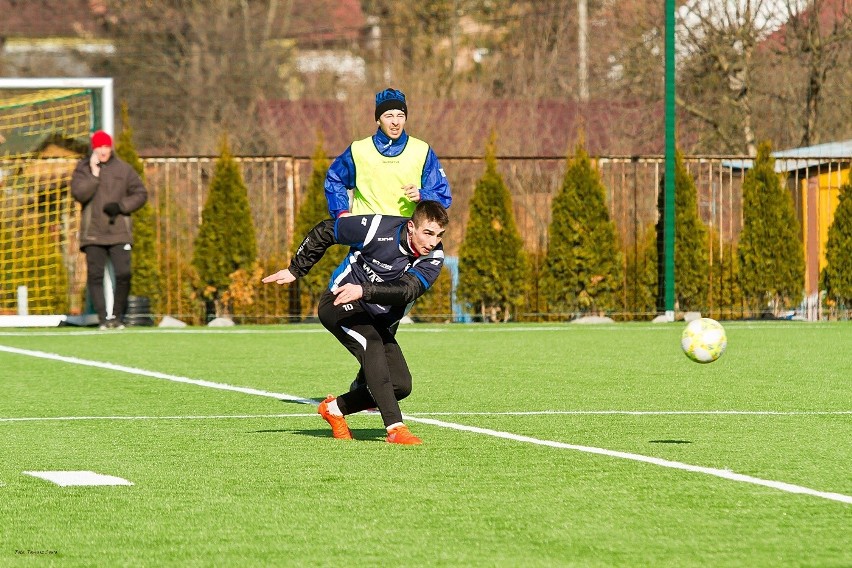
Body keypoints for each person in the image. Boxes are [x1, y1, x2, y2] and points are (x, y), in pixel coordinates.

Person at [263, 200, 449, 445]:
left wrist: (364, 290)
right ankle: (395, 428)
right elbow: (328, 230)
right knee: (371, 344)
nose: (433, 241)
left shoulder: (434, 257)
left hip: (374, 314)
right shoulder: (376, 228)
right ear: (412, 226)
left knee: (401, 385)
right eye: (428, 233)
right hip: (338, 302)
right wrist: (297, 269)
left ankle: (334, 409)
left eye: (439, 235)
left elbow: (407, 291)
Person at [324, 88, 452, 219]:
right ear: (378, 120)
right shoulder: (358, 149)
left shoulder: (422, 150)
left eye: (400, 116)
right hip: (365, 233)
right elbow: (335, 179)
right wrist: (341, 212)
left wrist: (422, 195)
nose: (395, 122)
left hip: (405, 233)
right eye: (389, 116)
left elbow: (443, 195)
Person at [71, 130, 148, 330]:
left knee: (124, 274)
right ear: (93, 148)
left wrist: (121, 207)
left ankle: (118, 317)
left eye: (106, 146)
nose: (103, 151)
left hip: (118, 232)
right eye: (99, 147)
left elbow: (140, 194)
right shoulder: (83, 169)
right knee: (94, 276)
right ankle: (104, 319)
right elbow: (79, 194)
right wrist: (95, 176)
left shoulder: (124, 169)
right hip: (93, 233)